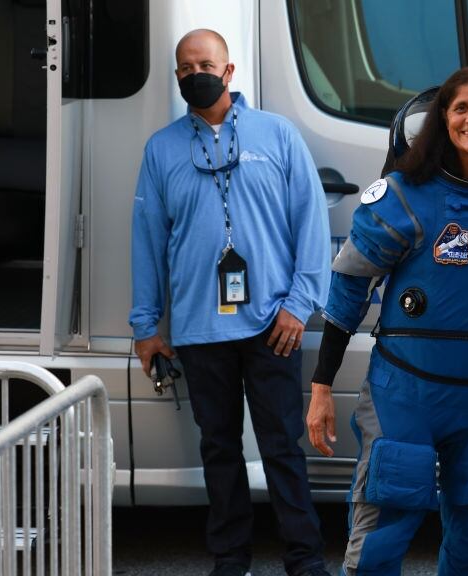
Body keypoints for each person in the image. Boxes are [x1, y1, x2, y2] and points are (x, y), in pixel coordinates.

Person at [306, 65, 468, 575]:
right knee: (383, 534)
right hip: (406, 393)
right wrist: (322, 385)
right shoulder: (404, 195)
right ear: (442, 120)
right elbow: (347, 292)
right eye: (460, 108)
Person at [129, 29, 332, 576]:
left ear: (229, 71)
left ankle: (305, 559)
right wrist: (145, 326)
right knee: (218, 450)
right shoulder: (161, 149)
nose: (197, 73)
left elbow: (311, 227)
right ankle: (230, 558)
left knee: (282, 448)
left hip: (273, 324)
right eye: (186, 66)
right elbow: (146, 240)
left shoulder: (279, 135)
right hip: (198, 330)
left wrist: (299, 304)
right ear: (178, 78)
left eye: (206, 63)